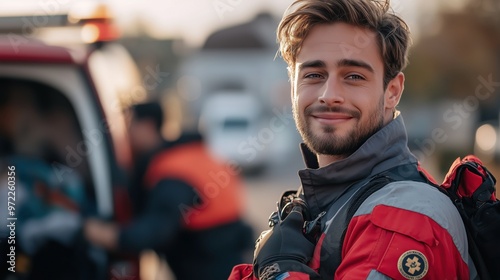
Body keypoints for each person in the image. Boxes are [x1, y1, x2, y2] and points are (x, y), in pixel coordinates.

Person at [229, 0, 474, 279]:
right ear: (293, 87)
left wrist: (280, 272)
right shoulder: (326, 200)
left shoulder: (404, 217)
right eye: (313, 75)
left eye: (354, 76)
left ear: (392, 91)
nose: (329, 94)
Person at [85, 101, 253, 279]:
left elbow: (155, 231)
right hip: (229, 257)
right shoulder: (191, 153)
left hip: (211, 266)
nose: (124, 135)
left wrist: (93, 232)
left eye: (129, 125)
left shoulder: (173, 172)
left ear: (147, 126)